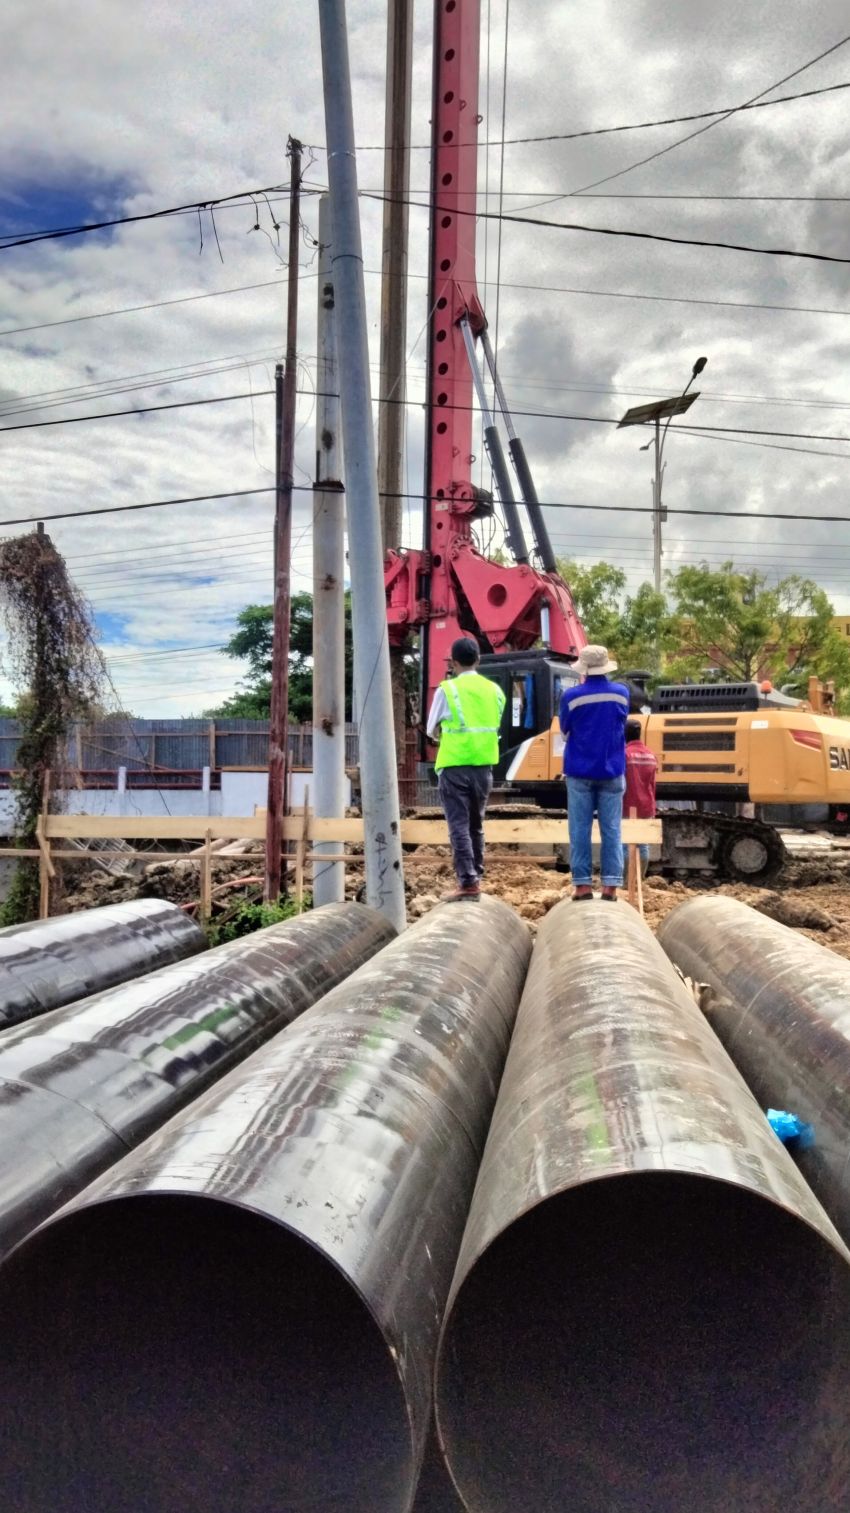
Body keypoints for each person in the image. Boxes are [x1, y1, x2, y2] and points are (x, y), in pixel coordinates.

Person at [427, 635, 506, 901]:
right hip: (483, 765)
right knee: (476, 825)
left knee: (459, 826)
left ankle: (468, 882)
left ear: (453, 662)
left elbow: (431, 729)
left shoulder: (446, 690)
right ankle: (476, 876)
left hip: (454, 765)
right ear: (479, 659)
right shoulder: (495, 691)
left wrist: (442, 735)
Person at [559, 644, 629, 901]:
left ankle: (582, 885)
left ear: (585, 669)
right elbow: (620, 724)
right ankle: (610, 886)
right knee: (611, 828)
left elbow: (565, 732)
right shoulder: (622, 694)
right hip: (612, 770)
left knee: (579, 828)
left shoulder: (571, 696)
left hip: (579, 770)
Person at [622, 719, 657, 878]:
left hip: (627, 805)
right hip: (646, 806)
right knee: (643, 845)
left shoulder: (624, 754)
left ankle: (625, 881)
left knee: (624, 844)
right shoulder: (651, 755)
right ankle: (639, 880)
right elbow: (652, 784)